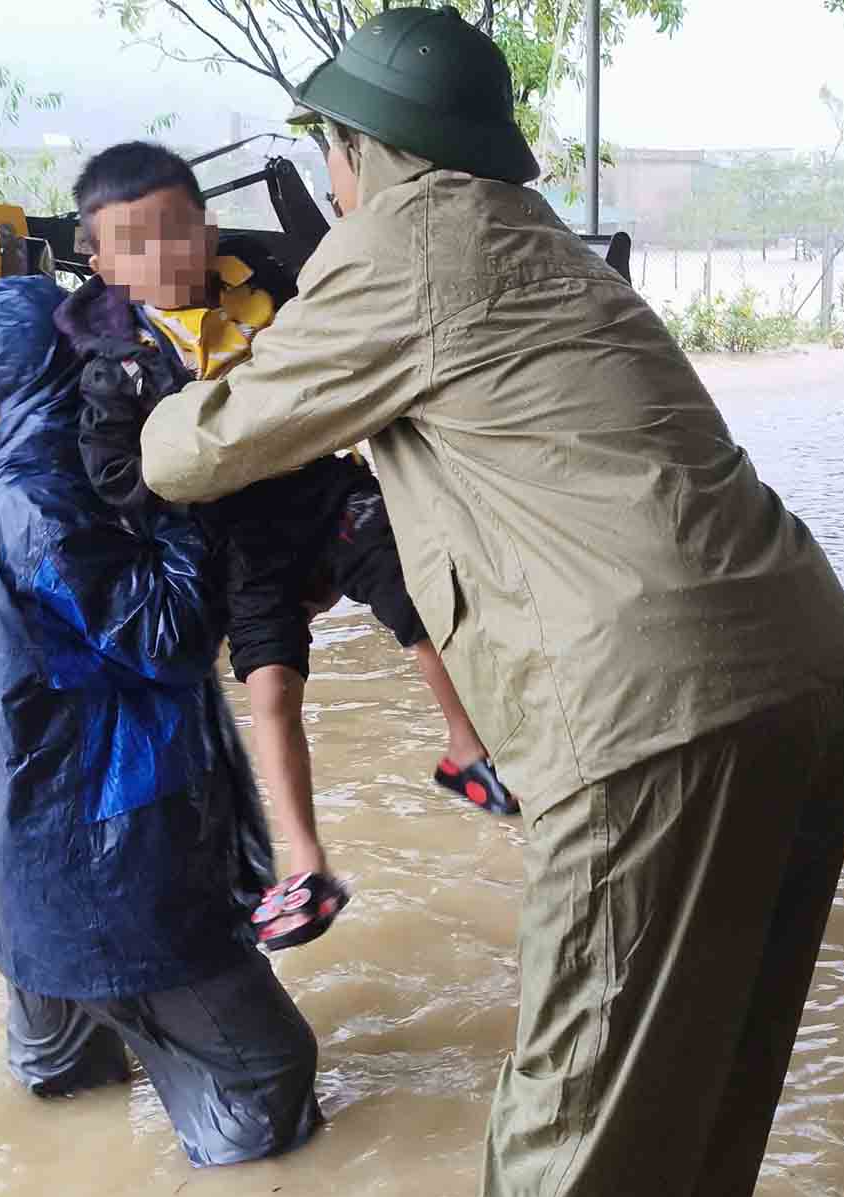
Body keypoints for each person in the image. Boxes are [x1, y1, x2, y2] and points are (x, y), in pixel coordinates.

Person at [136, 9, 844, 1197]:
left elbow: (194, 452)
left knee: (573, 1112)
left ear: (361, 149)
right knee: (703, 1081)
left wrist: (156, 375)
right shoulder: (537, 240)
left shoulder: (403, 243)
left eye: (329, 152)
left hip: (653, 711)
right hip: (808, 677)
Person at [55, 141, 519, 946]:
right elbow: (118, 479)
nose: (161, 255)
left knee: (423, 595)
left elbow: (350, 344)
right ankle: (306, 867)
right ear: (100, 266)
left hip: (324, 491)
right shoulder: (112, 369)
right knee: (270, 684)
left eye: (175, 230)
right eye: (133, 244)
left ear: (207, 230)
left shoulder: (270, 278)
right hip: (236, 536)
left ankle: (466, 744)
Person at [0, 272, 322, 1166]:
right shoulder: (55, 499)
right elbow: (168, 638)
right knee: (268, 1081)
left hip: (25, 873)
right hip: (114, 873)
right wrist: (184, 495)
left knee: (65, 1092)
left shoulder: (9, 484)